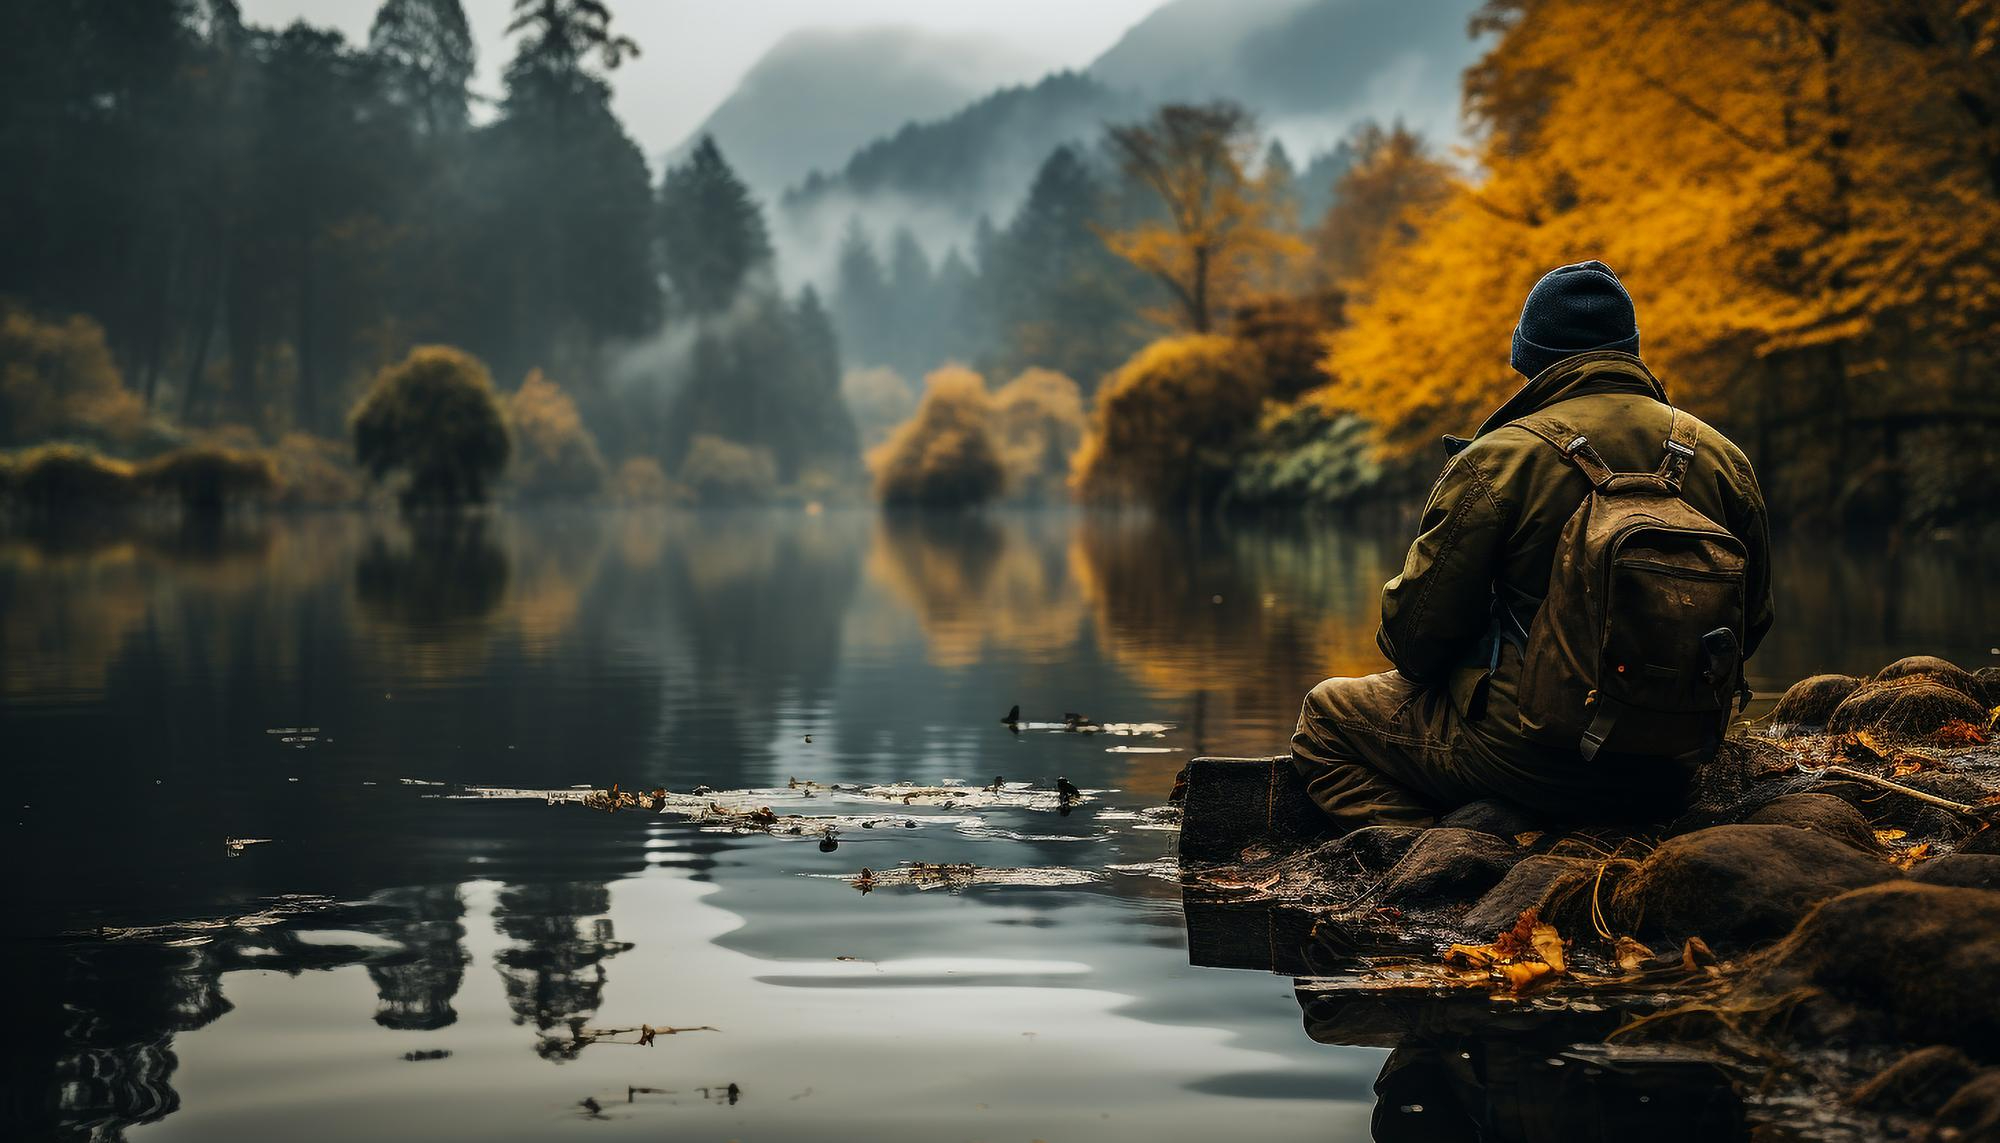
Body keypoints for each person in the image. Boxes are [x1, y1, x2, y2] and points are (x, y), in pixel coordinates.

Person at [1292, 260, 1773, 831]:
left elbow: (1413, 642)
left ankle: (1430, 851)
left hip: (1531, 758)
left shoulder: (1497, 460)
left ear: (1528, 356)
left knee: (1326, 716)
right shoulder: (1722, 457)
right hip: (1674, 764)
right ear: (1631, 351)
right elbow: (1753, 623)